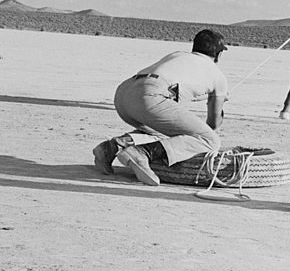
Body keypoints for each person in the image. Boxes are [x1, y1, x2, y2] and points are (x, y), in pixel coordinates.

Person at [92, 29, 229, 186]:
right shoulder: (218, 76)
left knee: (169, 132)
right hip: (151, 96)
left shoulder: (177, 55)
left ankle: (111, 147)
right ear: (218, 55)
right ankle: (141, 153)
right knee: (210, 140)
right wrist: (220, 102)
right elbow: (213, 124)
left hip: (124, 93)